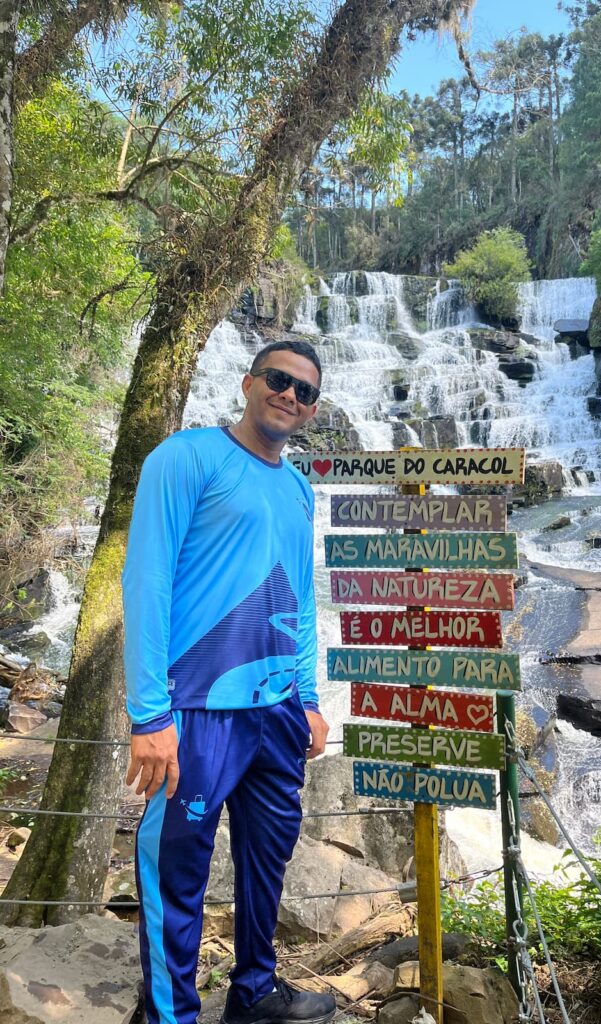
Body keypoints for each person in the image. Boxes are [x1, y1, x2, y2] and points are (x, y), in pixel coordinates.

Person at [122, 339, 336, 1024]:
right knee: (175, 871)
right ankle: (169, 1014)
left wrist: (309, 699)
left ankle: (254, 994)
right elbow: (146, 582)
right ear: (249, 383)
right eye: (279, 380)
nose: (290, 396)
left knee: (266, 862)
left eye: (305, 391)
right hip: (196, 712)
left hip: (276, 715)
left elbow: (298, 601)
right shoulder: (187, 458)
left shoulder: (298, 489)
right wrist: (149, 717)